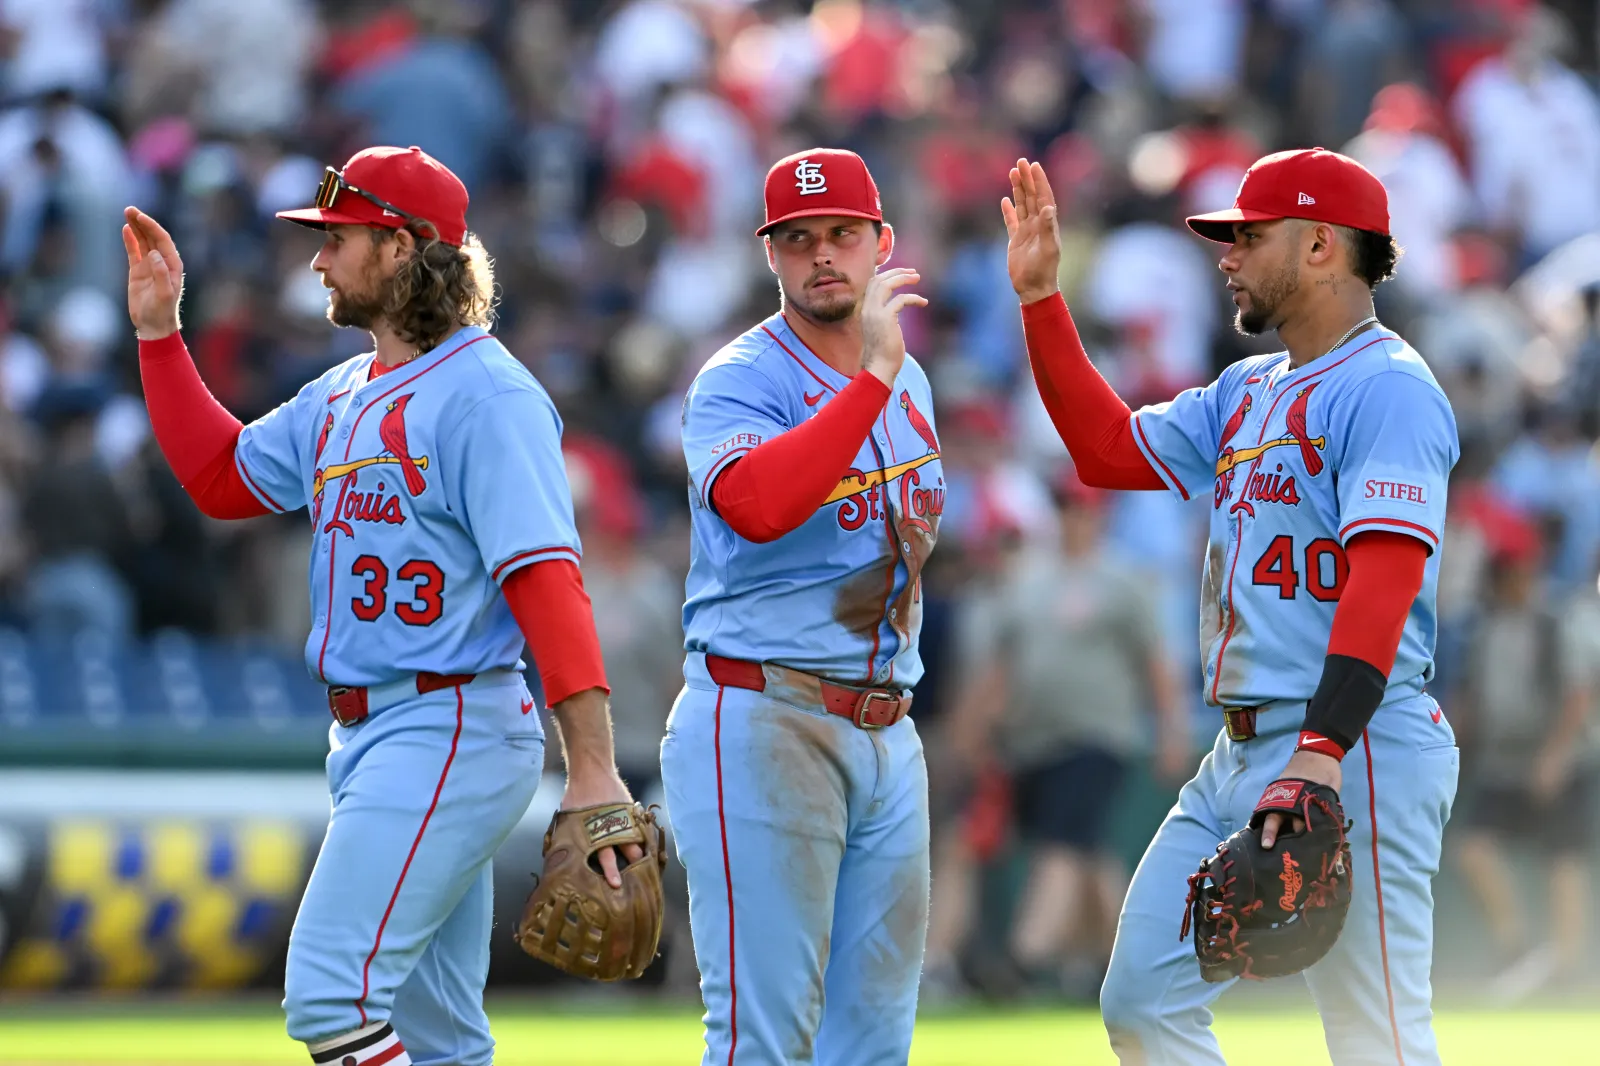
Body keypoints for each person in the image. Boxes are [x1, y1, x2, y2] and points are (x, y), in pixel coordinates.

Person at [123, 145, 641, 1066]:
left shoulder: (489, 395)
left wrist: (592, 768)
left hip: (449, 723)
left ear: (401, 249)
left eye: (340, 239)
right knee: (439, 1036)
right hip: (376, 736)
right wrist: (163, 335)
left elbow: (547, 583)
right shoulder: (344, 393)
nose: (318, 259)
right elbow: (221, 478)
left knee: (329, 997)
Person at [1003, 148, 1460, 1063]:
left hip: (1354, 743)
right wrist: (1041, 301)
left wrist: (1321, 752)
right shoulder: (1246, 390)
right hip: (1238, 748)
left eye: (1250, 235)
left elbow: (1383, 580)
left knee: (1378, 1036)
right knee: (1141, 999)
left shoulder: (1389, 388)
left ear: (1323, 246)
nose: (1227, 255)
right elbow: (1102, 451)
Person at [663, 148, 940, 1064]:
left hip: (889, 727)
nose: (823, 255)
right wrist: (867, 382)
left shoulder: (910, 381)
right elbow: (757, 505)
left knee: (873, 1043)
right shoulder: (741, 378)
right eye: (799, 239)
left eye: (842, 234)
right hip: (762, 714)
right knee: (763, 1039)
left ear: (881, 243)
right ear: (771, 256)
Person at [927, 471, 1188, 1001]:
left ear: (1099, 515)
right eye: (1065, 506)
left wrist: (1172, 732)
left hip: (1099, 736)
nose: (1073, 516)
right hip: (1029, 741)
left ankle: (1023, 958)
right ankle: (1130, 964)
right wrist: (971, 732)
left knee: (1062, 844)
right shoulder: (1030, 581)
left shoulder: (1124, 579)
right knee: (1088, 852)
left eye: (1082, 507)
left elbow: (1157, 666)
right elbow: (1000, 667)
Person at [1455, 524, 1598, 1001]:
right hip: (1502, 762)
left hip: (1556, 757)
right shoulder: (1484, 628)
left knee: (1564, 862)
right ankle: (1515, 945)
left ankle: (1570, 967)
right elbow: (1471, 698)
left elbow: (1578, 695)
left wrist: (1554, 756)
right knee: (1473, 848)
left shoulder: (1554, 621)